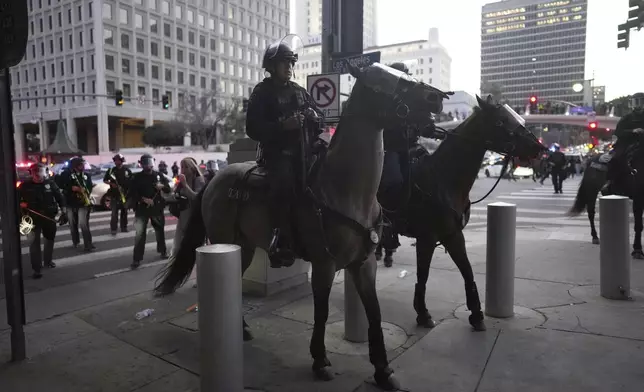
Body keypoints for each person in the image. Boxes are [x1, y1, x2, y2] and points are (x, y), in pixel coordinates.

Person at [245, 37, 324, 268]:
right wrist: (283, 126)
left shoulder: (299, 91)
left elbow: (319, 117)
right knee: (285, 184)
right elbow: (252, 128)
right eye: (284, 63)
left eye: (291, 63)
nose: (289, 67)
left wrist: (314, 118)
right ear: (271, 66)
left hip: (306, 151)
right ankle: (279, 240)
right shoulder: (262, 92)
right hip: (279, 154)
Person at [378, 62, 438, 266]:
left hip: (411, 147)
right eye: (400, 76)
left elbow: (426, 121)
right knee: (393, 180)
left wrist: (429, 127)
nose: (404, 79)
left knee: (428, 178)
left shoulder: (414, 97)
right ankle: (385, 225)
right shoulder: (385, 97)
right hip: (391, 148)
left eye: (406, 75)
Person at [18, 163, 67, 279]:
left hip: (49, 217)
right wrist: (21, 204)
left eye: (40, 171)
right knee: (34, 244)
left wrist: (64, 211)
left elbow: (60, 197)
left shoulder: (50, 183)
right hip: (31, 219)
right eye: (35, 171)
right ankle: (36, 269)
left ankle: (48, 261)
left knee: (50, 240)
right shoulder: (25, 186)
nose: (38, 174)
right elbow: (15, 199)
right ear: (31, 173)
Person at [127, 153, 171, 269]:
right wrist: (143, 199)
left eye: (150, 163)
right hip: (142, 209)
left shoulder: (158, 175)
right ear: (141, 164)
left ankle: (162, 251)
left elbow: (168, 189)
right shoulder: (136, 177)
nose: (148, 166)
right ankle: (137, 258)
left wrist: (161, 187)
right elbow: (132, 193)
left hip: (156, 208)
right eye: (145, 164)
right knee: (140, 234)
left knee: (159, 231)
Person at [602, 93, 644, 196]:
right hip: (628, 143)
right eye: (636, 101)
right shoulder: (627, 118)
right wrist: (633, 131)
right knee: (615, 158)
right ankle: (610, 183)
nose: (638, 105)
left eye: (641, 101)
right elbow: (618, 133)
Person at [171, 157, 206, 257]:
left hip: (194, 214)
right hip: (183, 213)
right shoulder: (181, 181)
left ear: (193, 168)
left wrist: (185, 185)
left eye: (186, 167)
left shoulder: (199, 180)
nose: (183, 169)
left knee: (195, 242)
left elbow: (197, 198)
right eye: (182, 167)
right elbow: (176, 195)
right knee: (179, 242)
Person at [60, 157, 95, 251]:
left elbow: (89, 186)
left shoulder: (86, 175)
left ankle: (88, 244)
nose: (83, 166)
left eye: (83, 164)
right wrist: (71, 188)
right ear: (75, 166)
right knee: (72, 224)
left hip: (83, 203)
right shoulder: (67, 174)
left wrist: (83, 190)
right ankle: (76, 241)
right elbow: (61, 185)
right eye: (80, 165)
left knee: (83, 224)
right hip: (70, 203)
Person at [103, 153, 132, 235]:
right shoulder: (111, 170)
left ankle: (124, 227)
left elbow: (131, 181)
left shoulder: (127, 170)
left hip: (124, 195)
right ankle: (113, 229)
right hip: (114, 195)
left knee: (124, 212)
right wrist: (112, 184)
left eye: (118, 160)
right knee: (114, 213)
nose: (117, 162)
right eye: (115, 160)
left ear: (122, 161)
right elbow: (105, 180)